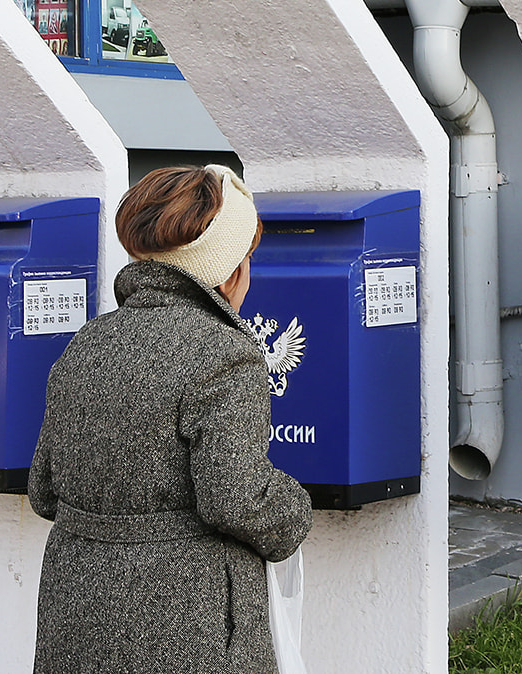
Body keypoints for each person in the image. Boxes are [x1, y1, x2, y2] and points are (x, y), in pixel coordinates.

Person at [28, 165, 313, 673]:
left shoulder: (86, 344)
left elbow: (44, 489)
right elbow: (236, 498)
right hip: (189, 614)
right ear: (231, 269)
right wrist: (293, 509)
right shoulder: (225, 354)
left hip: (74, 611)